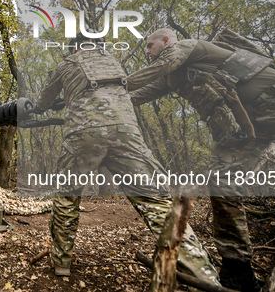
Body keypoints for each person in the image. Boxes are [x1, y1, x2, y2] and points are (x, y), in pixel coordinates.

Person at [126, 27, 275, 292]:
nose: (147, 52)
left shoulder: (188, 47)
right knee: (222, 181)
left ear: (166, 41)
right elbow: (133, 96)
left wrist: (116, 81)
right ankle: (237, 269)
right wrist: (83, 97)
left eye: (150, 46)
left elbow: (153, 70)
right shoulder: (170, 77)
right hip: (248, 128)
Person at [33, 34, 221, 287]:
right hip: (126, 132)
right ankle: (205, 277)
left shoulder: (66, 64)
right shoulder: (114, 63)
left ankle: (61, 264)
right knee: (158, 202)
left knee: (67, 197)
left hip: (82, 133)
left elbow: (43, 102)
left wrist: (40, 106)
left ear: (75, 48)